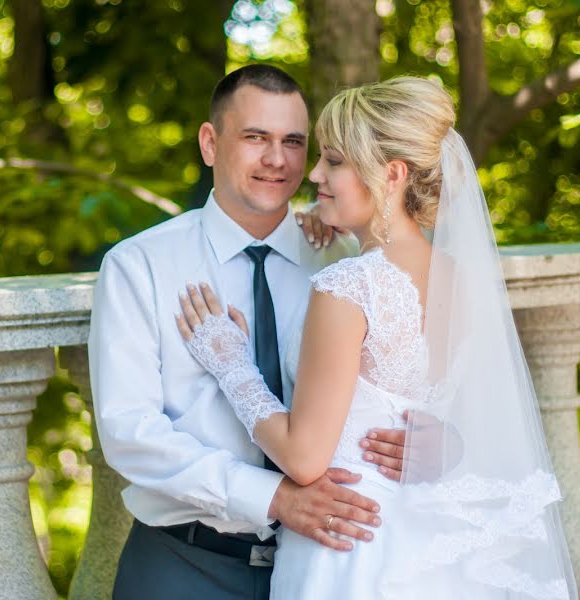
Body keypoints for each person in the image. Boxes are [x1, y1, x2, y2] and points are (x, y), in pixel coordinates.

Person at [176, 76, 578, 599]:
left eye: (335, 162)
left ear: (390, 174)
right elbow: (471, 417)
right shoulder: (459, 276)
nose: (314, 174)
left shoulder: (350, 284)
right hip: (433, 538)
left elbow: (304, 458)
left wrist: (232, 366)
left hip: (349, 544)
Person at [89, 65, 410, 600]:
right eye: (255, 138)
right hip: (185, 562)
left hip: (334, 565)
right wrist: (274, 497)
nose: (277, 160)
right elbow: (130, 433)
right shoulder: (139, 265)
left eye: (293, 142)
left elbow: (406, 382)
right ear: (210, 143)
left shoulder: (345, 259)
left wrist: (425, 441)